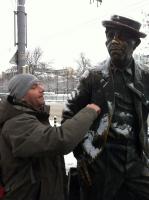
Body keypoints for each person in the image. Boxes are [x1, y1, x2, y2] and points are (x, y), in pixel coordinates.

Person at [62, 15, 149, 200]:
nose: (114, 41)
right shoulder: (93, 76)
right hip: (102, 157)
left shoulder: (145, 77)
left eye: (122, 37)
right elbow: (70, 114)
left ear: (136, 44)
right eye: (110, 35)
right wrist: (80, 154)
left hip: (135, 157)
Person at [0, 73, 101, 200]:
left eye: (40, 84)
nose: (42, 89)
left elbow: (63, 112)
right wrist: (88, 113)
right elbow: (59, 140)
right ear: (21, 96)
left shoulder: (35, 115)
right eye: (33, 87)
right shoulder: (16, 124)